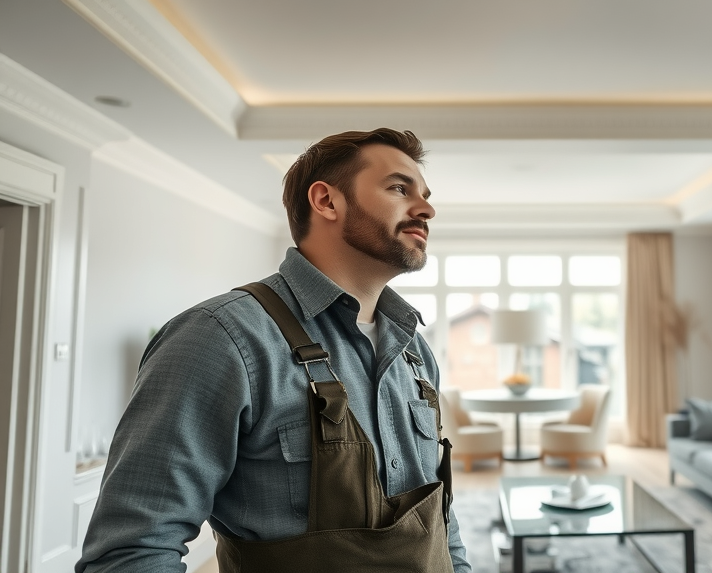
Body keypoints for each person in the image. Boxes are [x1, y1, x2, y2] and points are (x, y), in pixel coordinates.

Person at [76, 129, 471, 572]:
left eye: (425, 196)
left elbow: (440, 520)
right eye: (399, 188)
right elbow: (133, 549)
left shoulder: (416, 351)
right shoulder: (219, 338)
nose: (426, 209)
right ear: (326, 201)